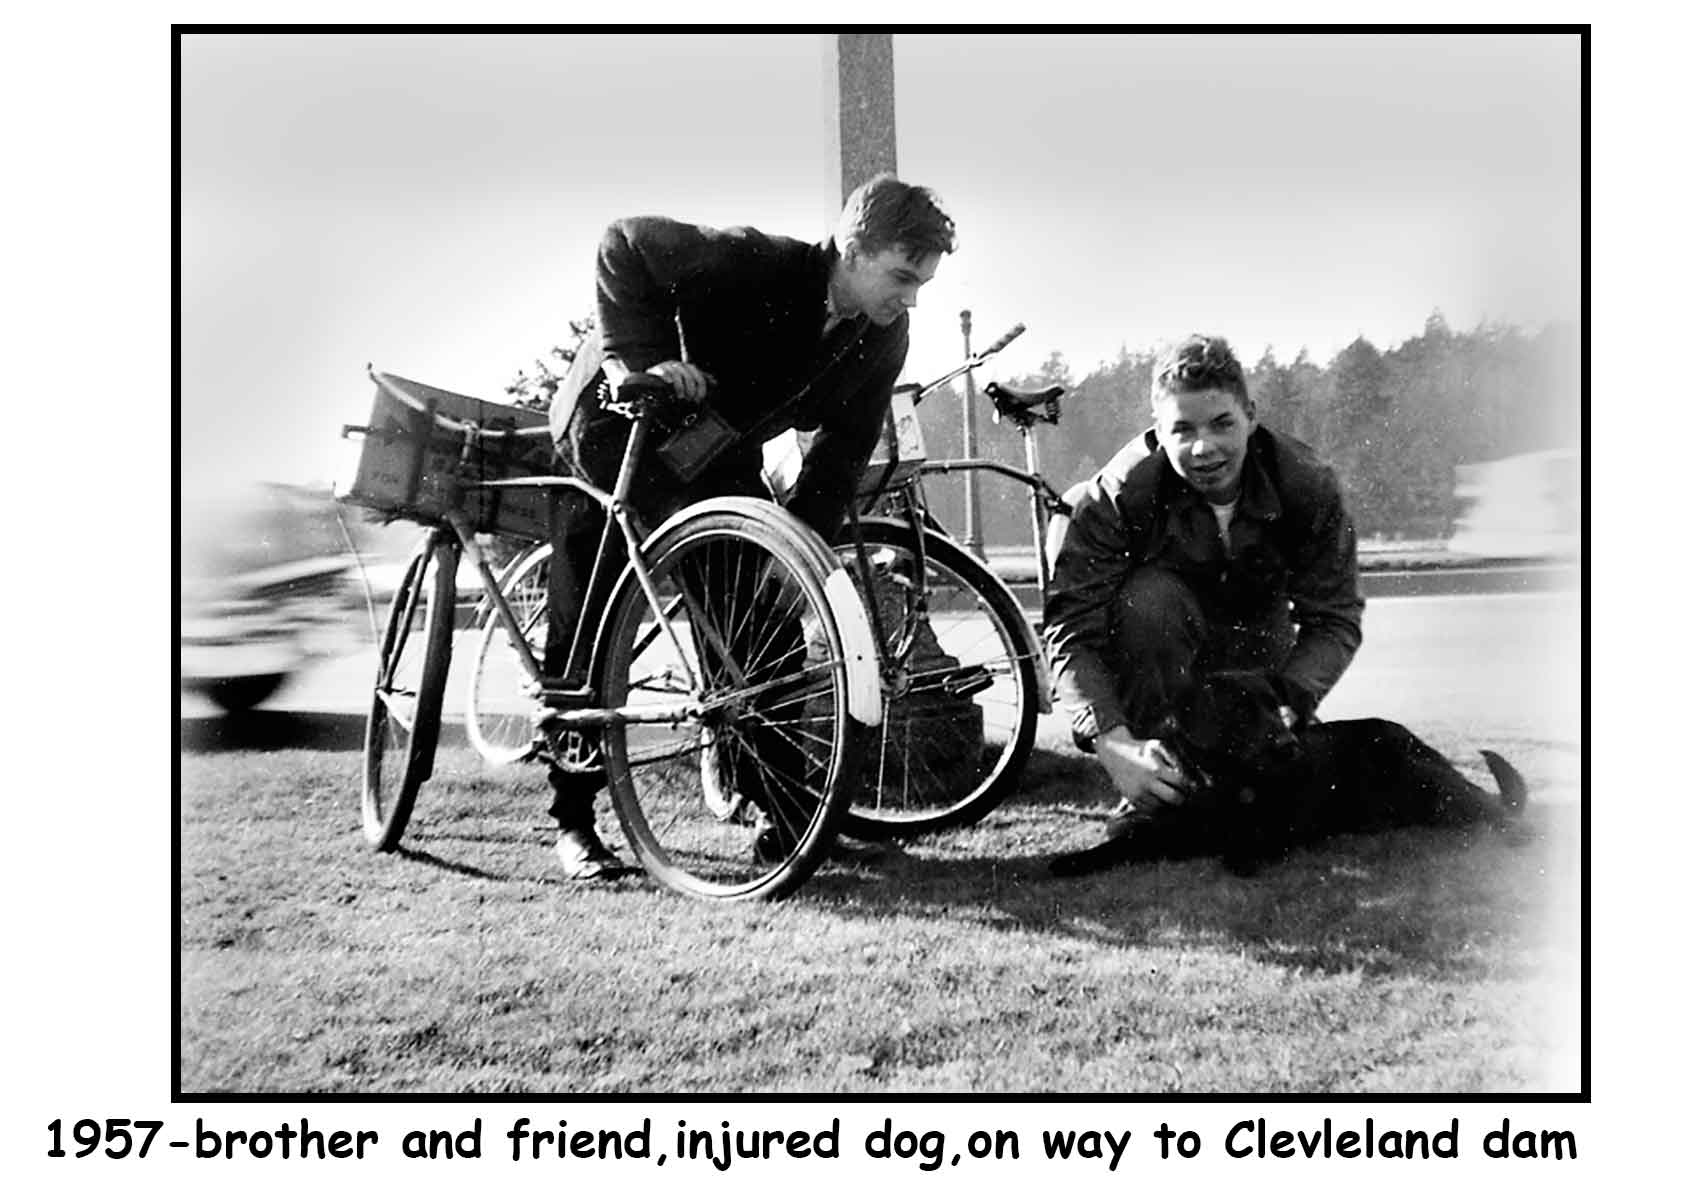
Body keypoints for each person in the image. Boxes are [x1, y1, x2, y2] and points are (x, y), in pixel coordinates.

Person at [542, 174, 958, 880]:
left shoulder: (885, 335)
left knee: (761, 626)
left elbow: (842, 452)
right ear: (853, 250)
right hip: (616, 429)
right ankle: (574, 822)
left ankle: (786, 822)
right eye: (901, 277)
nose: (911, 299)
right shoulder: (754, 261)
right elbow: (623, 243)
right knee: (591, 618)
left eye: (922, 283)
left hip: (710, 448)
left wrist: (795, 551)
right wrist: (641, 358)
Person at [1041, 333, 1364, 847]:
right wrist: (1113, 742)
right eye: (1183, 429)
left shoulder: (1308, 483)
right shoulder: (1117, 494)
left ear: (1251, 416)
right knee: (1149, 600)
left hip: (1260, 659)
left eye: (1221, 424)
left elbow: (1335, 619)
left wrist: (1291, 699)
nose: (1203, 447)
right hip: (1159, 657)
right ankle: (1158, 782)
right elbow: (1070, 628)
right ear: (1158, 430)